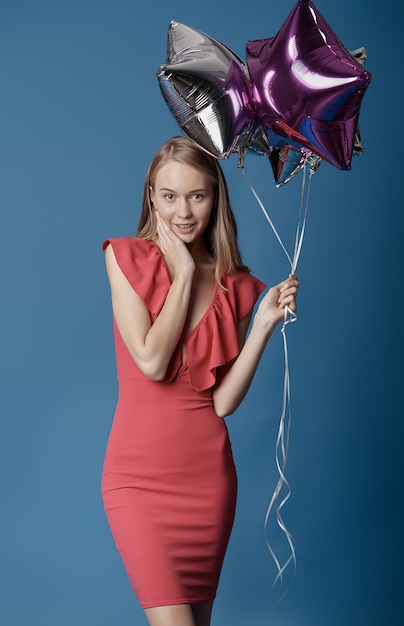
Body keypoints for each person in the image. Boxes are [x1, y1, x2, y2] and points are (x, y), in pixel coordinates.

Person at [101, 135, 299, 626]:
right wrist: (185, 272)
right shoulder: (127, 259)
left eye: (197, 195)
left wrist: (263, 325)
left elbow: (222, 403)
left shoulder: (235, 284)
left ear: (216, 196)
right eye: (169, 196)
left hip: (208, 483)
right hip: (137, 483)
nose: (183, 211)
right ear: (151, 195)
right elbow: (150, 360)